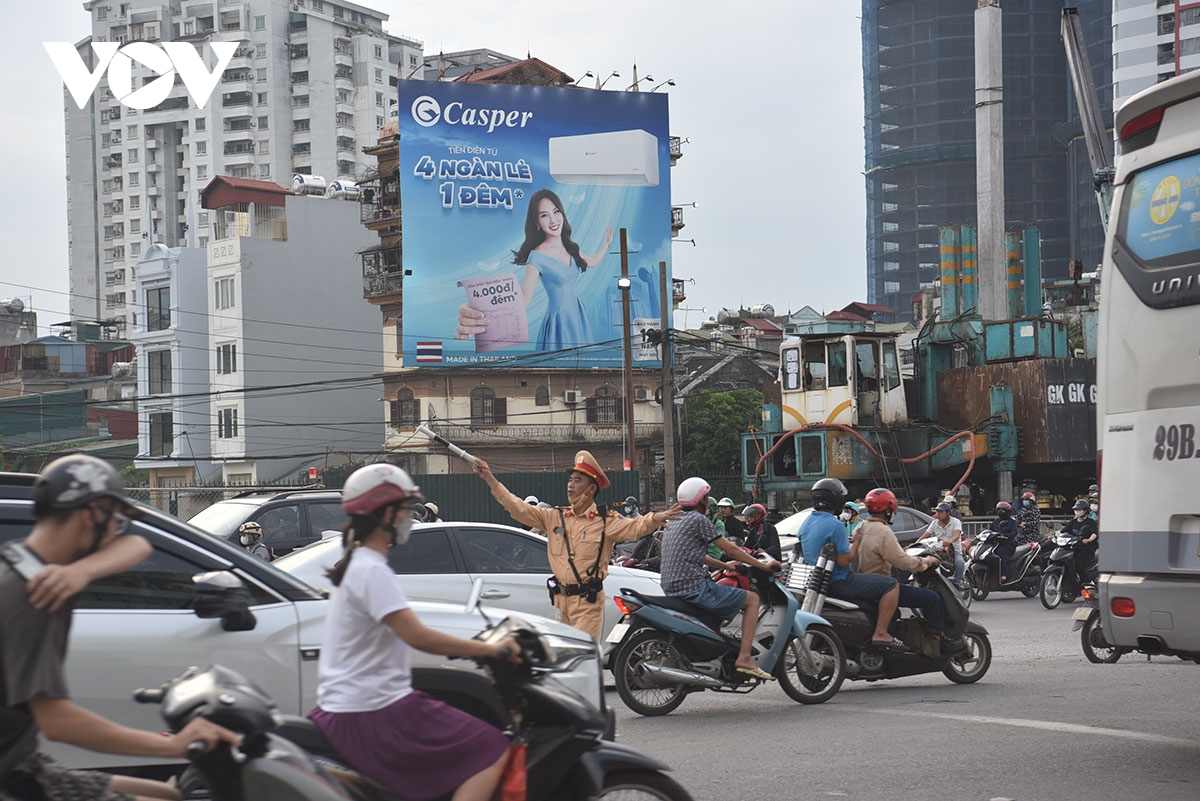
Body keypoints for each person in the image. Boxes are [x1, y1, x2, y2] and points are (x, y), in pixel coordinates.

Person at [1, 454, 240, 801]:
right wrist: (175, 746)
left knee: (167, 795)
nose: (119, 531)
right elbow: (59, 722)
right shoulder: (37, 596)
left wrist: (82, 571)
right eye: (115, 520)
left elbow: (139, 544)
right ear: (89, 515)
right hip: (11, 778)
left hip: (23, 762)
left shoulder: (19, 559)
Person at [307, 463, 520, 801]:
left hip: (354, 708)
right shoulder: (372, 570)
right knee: (492, 747)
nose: (410, 517)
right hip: (375, 712)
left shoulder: (360, 564)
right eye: (405, 509)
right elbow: (417, 636)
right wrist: (493, 650)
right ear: (386, 513)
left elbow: (408, 628)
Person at [472, 450, 680, 640]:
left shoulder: (605, 521)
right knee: (564, 660)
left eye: (577, 480)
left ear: (590, 489)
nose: (570, 485)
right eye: (570, 480)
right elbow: (519, 509)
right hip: (561, 602)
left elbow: (635, 527)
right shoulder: (556, 517)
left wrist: (654, 518)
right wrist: (490, 479)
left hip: (587, 604)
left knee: (582, 658)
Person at [456, 189, 613, 351]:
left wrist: (607, 243)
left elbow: (593, 261)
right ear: (537, 223)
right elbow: (525, 298)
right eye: (544, 215)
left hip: (578, 316)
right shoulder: (536, 257)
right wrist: (482, 309)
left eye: (556, 211)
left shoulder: (571, 248)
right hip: (559, 322)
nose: (553, 220)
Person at [659, 477, 782, 680]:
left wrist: (725, 566)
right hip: (693, 588)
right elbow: (731, 549)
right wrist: (762, 565)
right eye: (706, 497)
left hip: (671, 587)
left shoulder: (675, 519)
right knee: (752, 600)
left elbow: (696, 555)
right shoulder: (699, 520)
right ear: (702, 500)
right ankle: (744, 658)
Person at [797, 477, 905, 650]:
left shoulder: (807, 522)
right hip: (838, 580)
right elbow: (844, 559)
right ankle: (881, 633)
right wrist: (856, 542)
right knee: (891, 585)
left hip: (816, 581)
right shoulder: (835, 524)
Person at [854, 488, 966, 653]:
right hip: (881, 587)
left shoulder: (860, 529)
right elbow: (903, 562)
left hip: (864, 584)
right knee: (932, 599)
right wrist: (926, 562)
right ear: (887, 510)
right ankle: (937, 641)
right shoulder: (883, 531)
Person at [919, 502, 966, 587]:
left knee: (960, 563)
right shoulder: (934, 523)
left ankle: (957, 582)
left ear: (948, 513)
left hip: (954, 550)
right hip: (938, 550)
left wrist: (949, 542)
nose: (938, 514)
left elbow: (956, 535)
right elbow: (925, 536)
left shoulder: (956, 522)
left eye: (941, 512)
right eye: (937, 512)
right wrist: (916, 543)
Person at [1060, 499, 1099, 586]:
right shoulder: (1073, 522)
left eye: (1079, 510)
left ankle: (1088, 582)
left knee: (1077, 562)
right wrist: (1054, 535)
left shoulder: (1090, 522)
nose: (1077, 512)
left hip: (1087, 548)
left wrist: (1089, 540)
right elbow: (1063, 531)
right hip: (1075, 547)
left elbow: (1094, 533)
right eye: (1076, 510)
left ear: (1085, 511)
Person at [990, 501, 1019, 581]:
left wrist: (1005, 536)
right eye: (999, 510)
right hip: (996, 544)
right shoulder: (996, 521)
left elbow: (1014, 532)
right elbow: (990, 530)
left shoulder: (1012, 522)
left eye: (1002, 510)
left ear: (1007, 512)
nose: (1000, 512)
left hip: (1008, 545)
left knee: (1000, 554)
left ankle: (1004, 574)